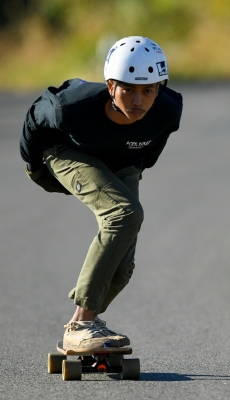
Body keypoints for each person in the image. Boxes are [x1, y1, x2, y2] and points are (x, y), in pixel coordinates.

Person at [20, 36, 183, 350]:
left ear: (159, 88)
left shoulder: (168, 110)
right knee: (124, 213)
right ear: (110, 86)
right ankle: (81, 323)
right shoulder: (72, 107)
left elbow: (153, 145)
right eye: (128, 90)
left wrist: (135, 169)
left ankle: (86, 322)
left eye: (148, 90)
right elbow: (33, 120)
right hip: (66, 151)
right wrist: (36, 170)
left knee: (123, 266)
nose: (139, 101)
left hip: (123, 161)